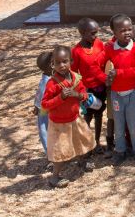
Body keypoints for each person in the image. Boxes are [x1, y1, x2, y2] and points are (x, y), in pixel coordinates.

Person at [40, 45, 96, 188]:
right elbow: (45, 104)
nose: (62, 65)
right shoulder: (52, 83)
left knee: (81, 141)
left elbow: (84, 94)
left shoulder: (76, 78)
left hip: (75, 118)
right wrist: (61, 97)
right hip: (59, 124)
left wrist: (77, 95)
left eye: (65, 61)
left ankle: (82, 161)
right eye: (57, 62)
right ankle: (55, 176)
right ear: (53, 64)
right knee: (60, 151)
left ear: (71, 61)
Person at [104, 14, 135, 165]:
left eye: (129, 29)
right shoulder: (109, 49)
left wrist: (118, 73)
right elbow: (101, 64)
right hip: (116, 94)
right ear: (114, 33)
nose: (127, 32)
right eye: (122, 30)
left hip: (132, 92)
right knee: (119, 125)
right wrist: (106, 77)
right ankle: (120, 151)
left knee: (134, 125)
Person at [70, 18, 107, 154]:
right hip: (88, 90)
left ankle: (97, 142)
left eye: (96, 32)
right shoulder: (77, 51)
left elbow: (105, 61)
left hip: (101, 87)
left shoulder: (99, 44)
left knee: (99, 114)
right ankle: (87, 144)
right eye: (92, 33)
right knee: (88, 117)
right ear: (83, 33)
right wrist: (80, 90)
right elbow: (73, 72)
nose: (95, 36)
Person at [33, 50, 52, 155]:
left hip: (44, 108)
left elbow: (38, 94)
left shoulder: (46, 78)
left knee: (46, 129)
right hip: (44, 110)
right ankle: (50, 154)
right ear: (51, 65)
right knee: (45, 130)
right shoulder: (46, 81)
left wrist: (36, 105)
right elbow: (41, 94)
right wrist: (37, 107)